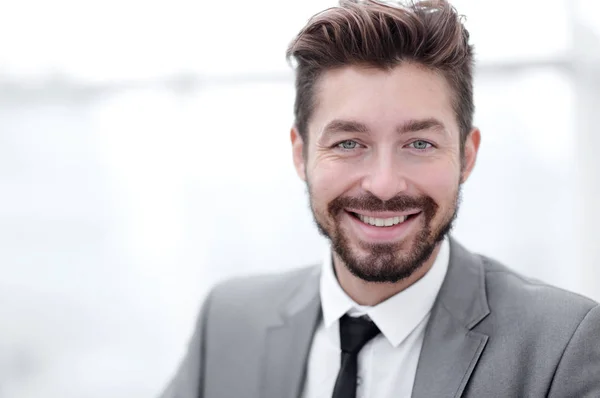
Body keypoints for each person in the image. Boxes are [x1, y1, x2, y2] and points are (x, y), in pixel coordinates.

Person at [159, 1, 600, 397]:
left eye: (420, 144)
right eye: (349, 143)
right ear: (301, 154)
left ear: (466, 157)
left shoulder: (564, 348)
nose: (384, 185)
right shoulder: (228, 322)